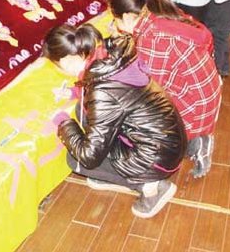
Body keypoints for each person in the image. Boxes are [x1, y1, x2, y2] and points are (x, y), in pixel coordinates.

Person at [42, 23, 186, 218]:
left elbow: (89, 155)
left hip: (156, 160)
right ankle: (112, 175)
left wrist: (63, 122)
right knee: (82, 111)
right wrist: (73, 92)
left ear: (66, 60)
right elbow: (119, 94)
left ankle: (151, 187)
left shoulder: (102, 91)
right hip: (169, 141)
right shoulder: (112, 56)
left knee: (75, 159)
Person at [103, 0, 221, 178]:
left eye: (116, 20)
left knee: (134, 119)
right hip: (204, 95)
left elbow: (148, 89)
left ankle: (193, 142)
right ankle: (193, 139)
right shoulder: (156, 17)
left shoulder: (152, 38)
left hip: (195, 108)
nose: (115, 25)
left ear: (129, 17)